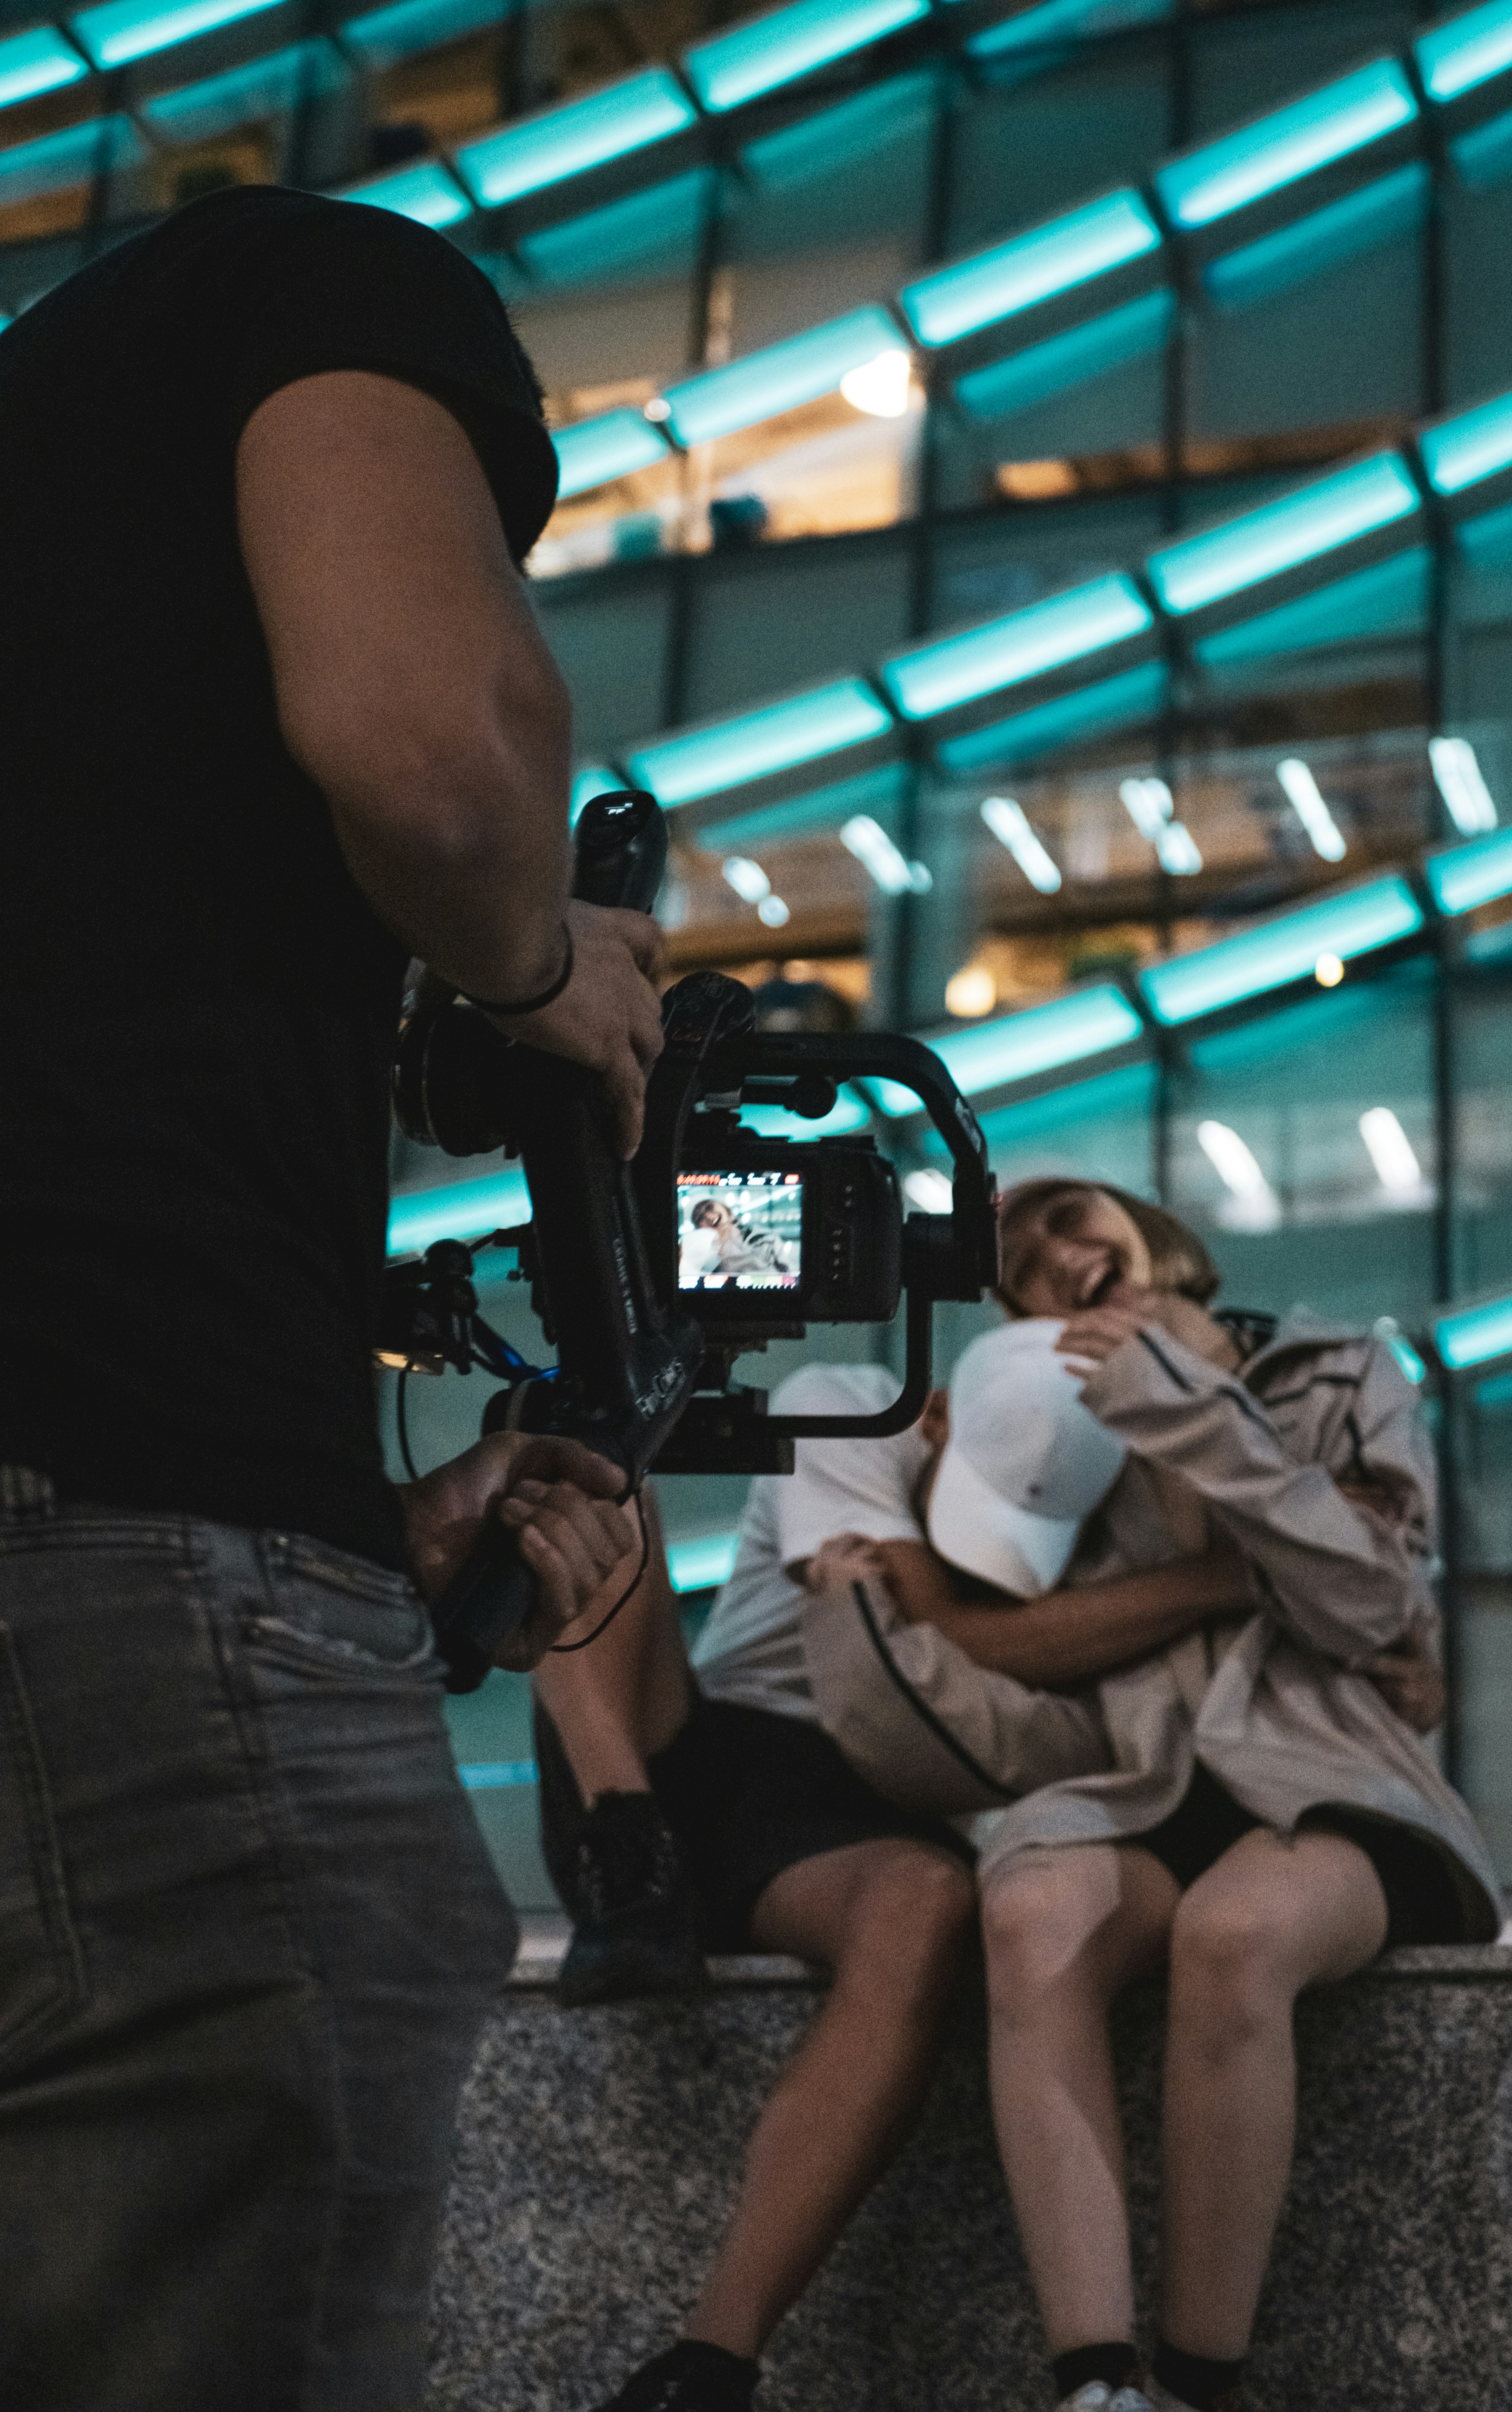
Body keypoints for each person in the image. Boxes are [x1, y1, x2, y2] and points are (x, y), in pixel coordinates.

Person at [0, 184, 666, 2411]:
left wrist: (366, 1537)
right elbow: (429, 738)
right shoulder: (322, 275)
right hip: (120, 1559)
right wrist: (542, 966)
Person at [530, 1354, 1267, 2412]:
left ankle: (707, 2367)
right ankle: (623, 1840)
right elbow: (948, 1621)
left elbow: (977, 1641)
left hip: (874, 1817)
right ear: (934, 1414)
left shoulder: (1098, 1526)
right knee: (596, 1467)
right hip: (700, 1753)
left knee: (931, 1908)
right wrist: (1203, 1586)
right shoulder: (844, 1401)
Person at [970, 1181, 1502, 2412]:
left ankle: (1201, 2387)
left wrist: (1185, 1404)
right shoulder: (1045, 1424)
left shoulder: (1339, 1371)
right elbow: (1024, 1637)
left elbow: (1368, 1601)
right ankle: (1096, 2388)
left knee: (1236, 1935)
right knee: (1028, 1913)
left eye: (1068, 1216)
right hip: (1148, 1775)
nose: (1058, 1253)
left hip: (1331, 1778)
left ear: (1148, 1227)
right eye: (1021, 1262)